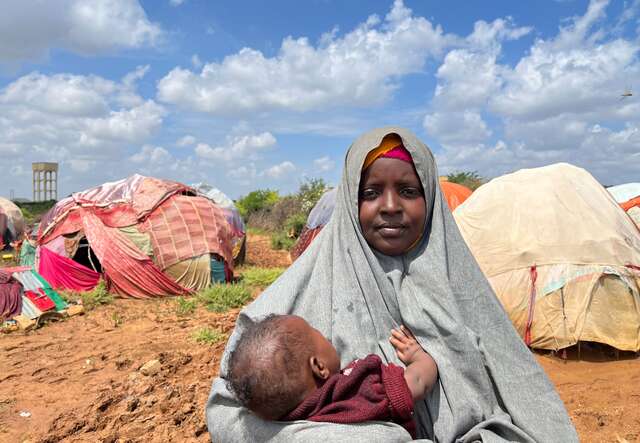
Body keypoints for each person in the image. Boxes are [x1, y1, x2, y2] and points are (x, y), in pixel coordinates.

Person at [206, 127, 578, 442]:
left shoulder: (462, 286)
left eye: (408, 191)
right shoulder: (290, 303)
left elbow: (523, 391)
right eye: (370, 193)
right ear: (352, 202)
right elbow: (228, 413)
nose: (389, 206)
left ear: (431, 198)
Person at [225, 314, 438, 437]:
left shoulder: (277, 416)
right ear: (319, 367)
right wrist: (418, 356)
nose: (325, 334)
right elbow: (419, 382)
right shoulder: (363, 388)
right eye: (315, 332)